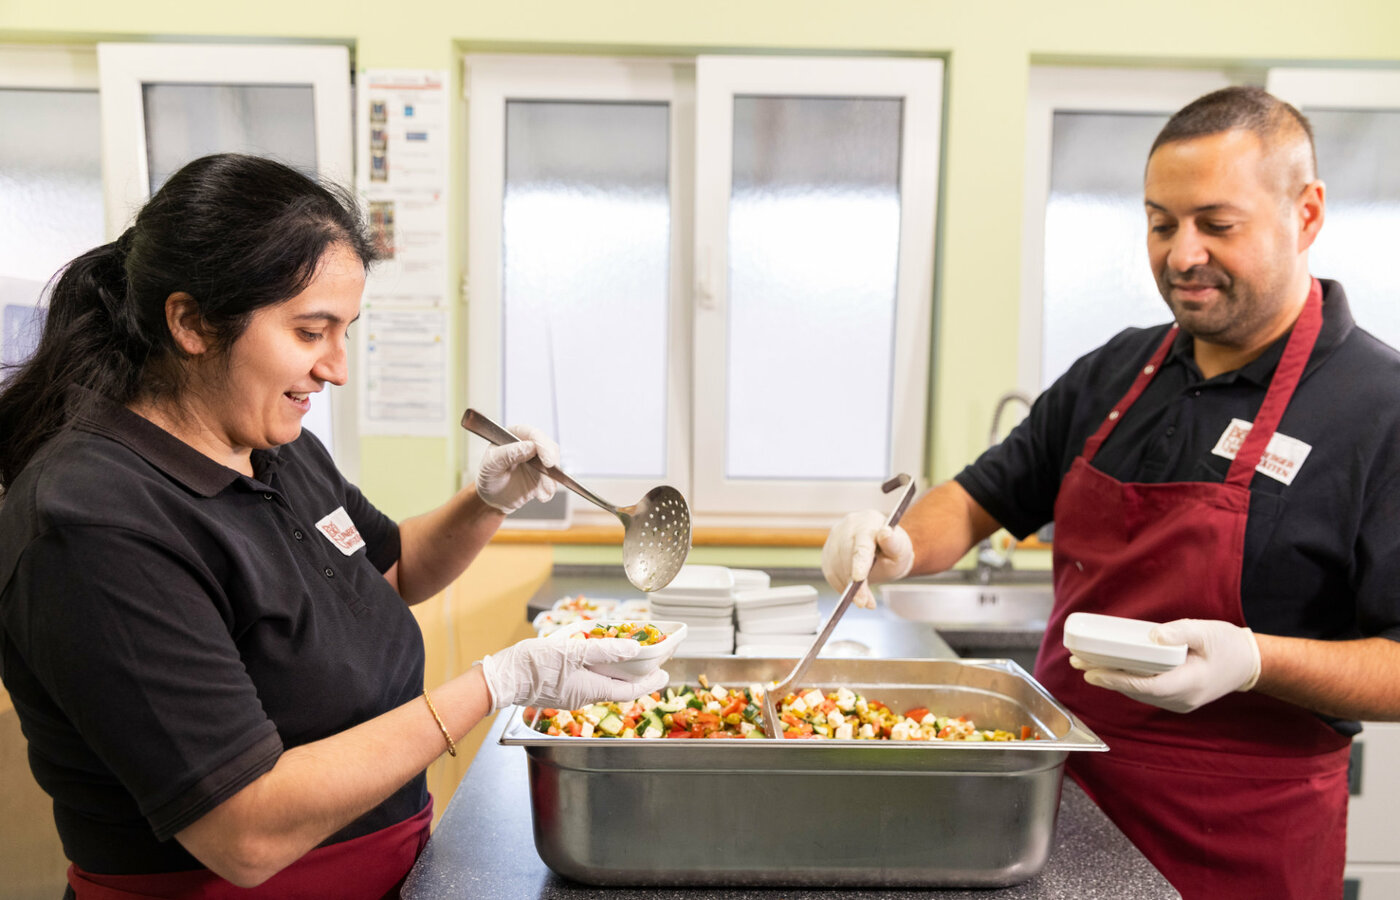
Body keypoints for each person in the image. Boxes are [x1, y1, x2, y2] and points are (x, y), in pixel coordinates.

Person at [0, 153, 668, 899]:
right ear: (191, 322)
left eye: (345, 331)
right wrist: (497, 682)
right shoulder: (94, 523)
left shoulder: (275, 448)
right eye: (311, 332)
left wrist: (486, 501)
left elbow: (389, 574)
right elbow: (244, 832)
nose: (337, 369)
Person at [821, 86, 1400, 900]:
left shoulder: (1379, 408)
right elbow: (983, 495)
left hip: (1241, 837)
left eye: (1216, 224)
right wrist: (899, 544)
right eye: (1161, 223)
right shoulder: (1117, 371)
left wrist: (1251, 660)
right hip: (1065, 810)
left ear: (1307, 214)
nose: (1180, 253)